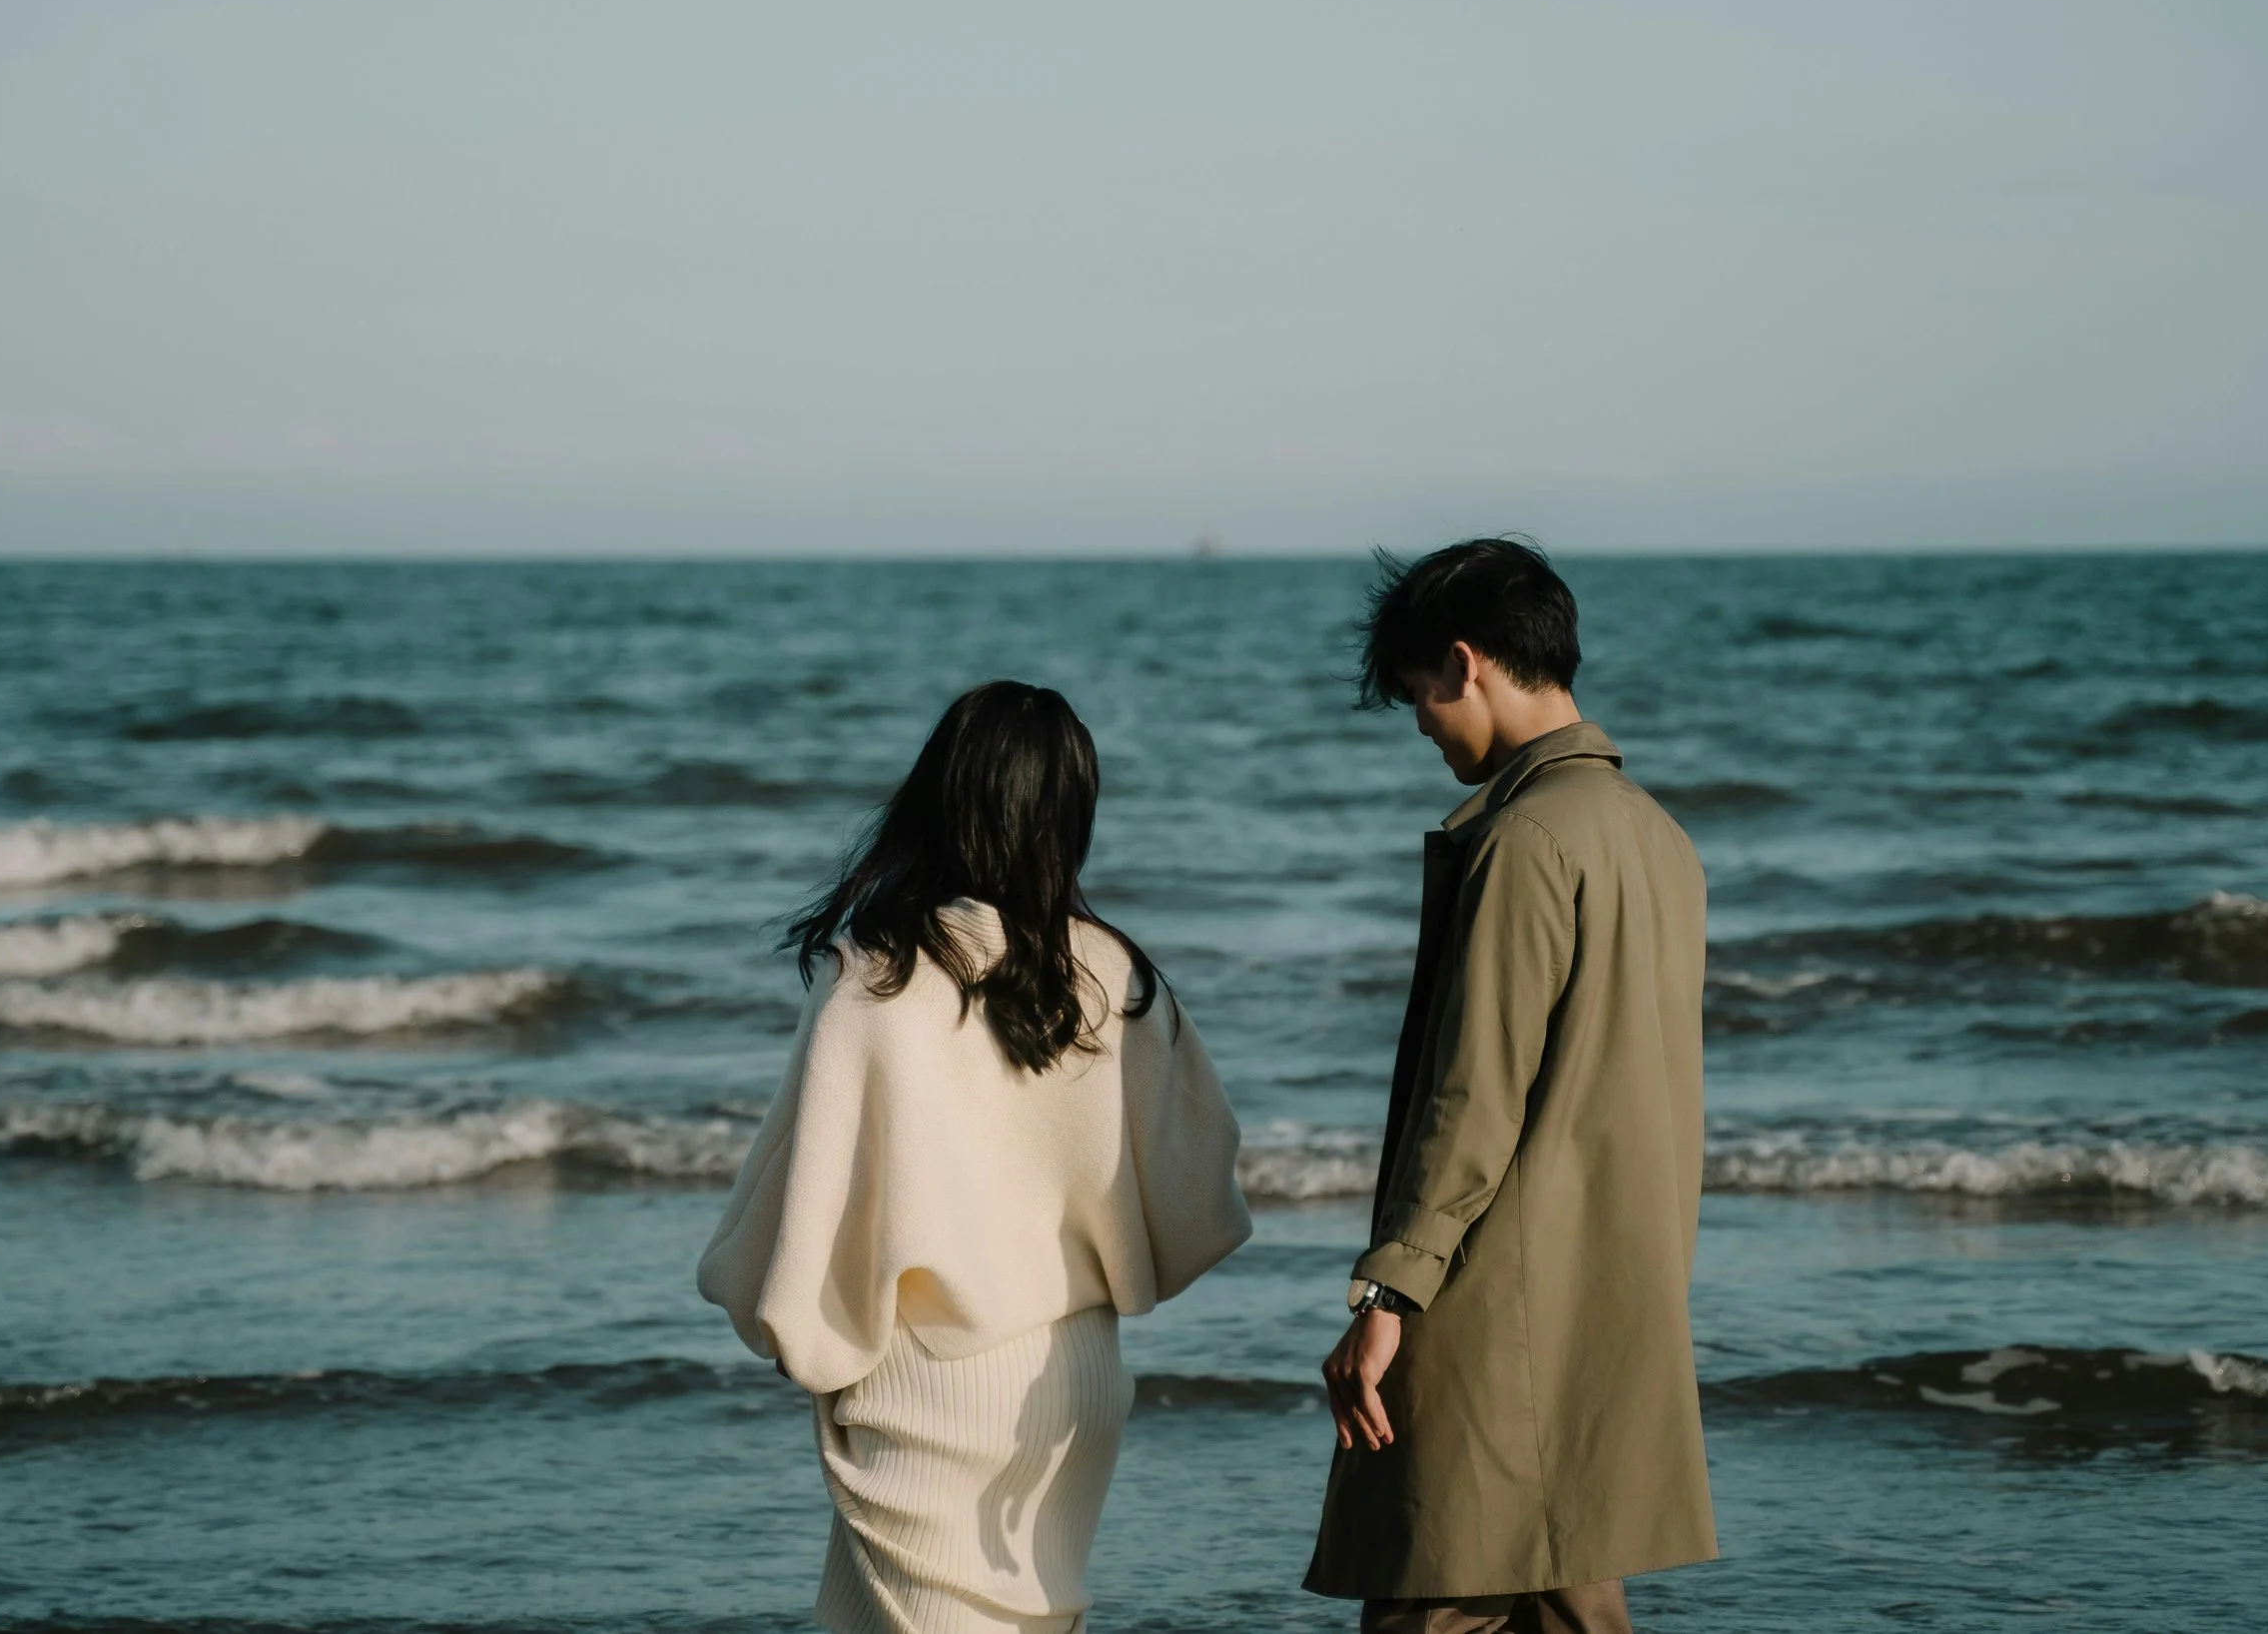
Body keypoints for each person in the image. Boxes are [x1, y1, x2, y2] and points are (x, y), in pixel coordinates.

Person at [698, 680, 1252, 1634]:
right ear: (1069, 813)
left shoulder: (876, 977)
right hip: (1076, 1379)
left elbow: (795, 1207)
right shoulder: (1117, 973)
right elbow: (1202, 1195)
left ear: (942, 799)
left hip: (925, 1386)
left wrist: (794, 1329)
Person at [1305, 540, 1717, 1634]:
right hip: (1613, 1303)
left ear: (1461, 661)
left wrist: (1388, 1293)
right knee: (1570, 1601)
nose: (1424, 726)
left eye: (1414, 698)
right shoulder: (1658, 837)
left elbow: (1471, 1094)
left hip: (1496, 1310)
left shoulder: (1523, 838)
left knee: (1428, 1602)